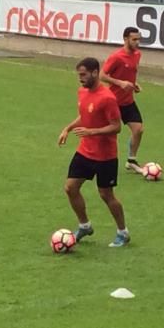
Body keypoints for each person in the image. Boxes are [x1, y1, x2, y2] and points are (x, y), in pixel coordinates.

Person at [59, 57, 130, 248]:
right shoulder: (82, 92)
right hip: (85, 151)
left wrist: (92, 132)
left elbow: (116, 127)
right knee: (70, 188)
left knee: (106, 195)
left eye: (83, 75)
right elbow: (85, 116)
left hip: (105, 155)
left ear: (95, 73)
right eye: (78, 75)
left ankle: (123, 232)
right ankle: (85, 226)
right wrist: (68, 128)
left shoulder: (107, 98)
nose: (80, 79)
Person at [100, 27, 144, 172]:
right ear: (125, 39)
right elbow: (102, 75)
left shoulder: (138, 55)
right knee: (107, 134)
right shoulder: (116, 57)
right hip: (113, 101)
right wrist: (120, 83)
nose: (137, 42)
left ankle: (131, 160)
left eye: (139, 39)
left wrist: (133, 84)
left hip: (128, 101)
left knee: (138, 130)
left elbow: (129, 74)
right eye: (134, 39)